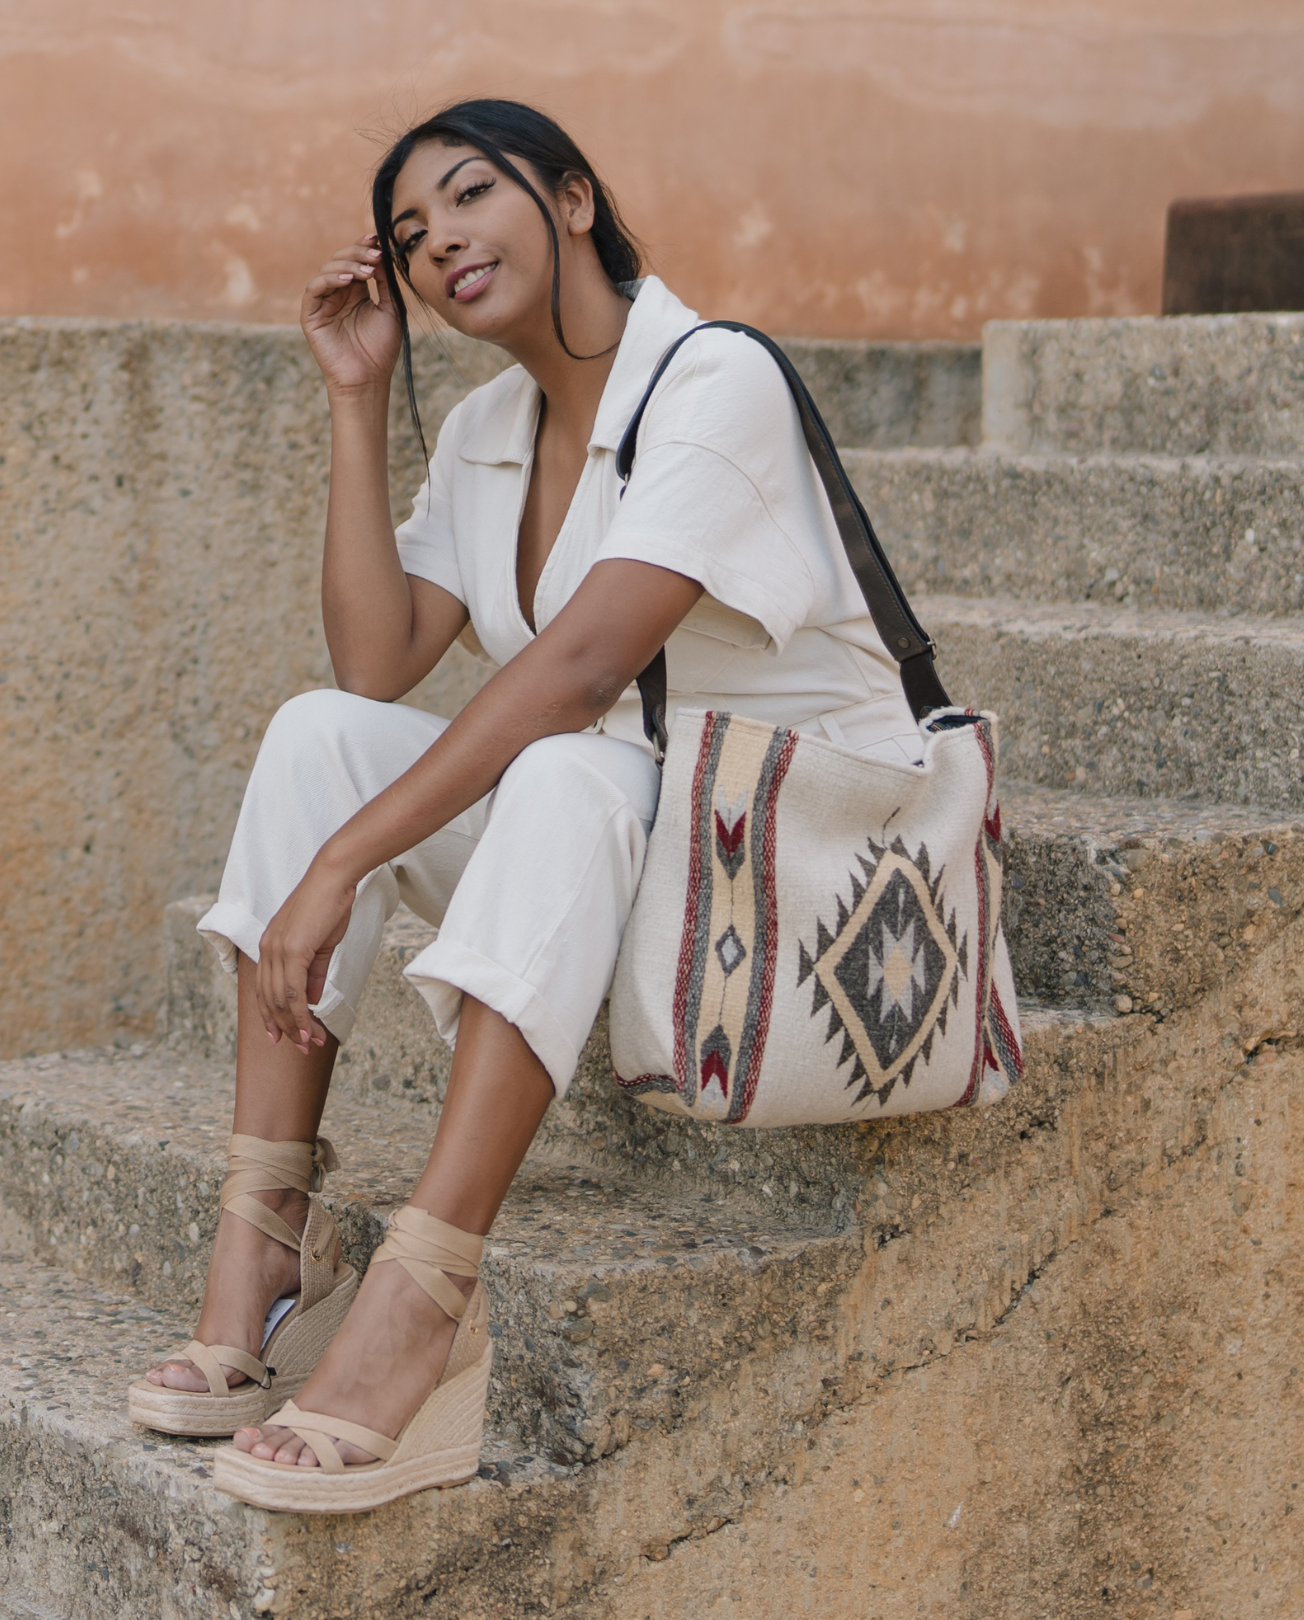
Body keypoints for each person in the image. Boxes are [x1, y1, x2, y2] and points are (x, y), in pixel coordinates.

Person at [128, 98, 924, 1513]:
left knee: (559, 754)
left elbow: (578, 669)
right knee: (323, 732)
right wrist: (357, 398)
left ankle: (429, 1293)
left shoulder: (710, 376)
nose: (440, 245)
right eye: (411, 235)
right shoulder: (494, 424)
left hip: (790, 861)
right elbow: (377, 662)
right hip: (625, 848)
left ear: (568, 198)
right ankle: (264, 1237)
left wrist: (343, 868)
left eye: (471, 195)